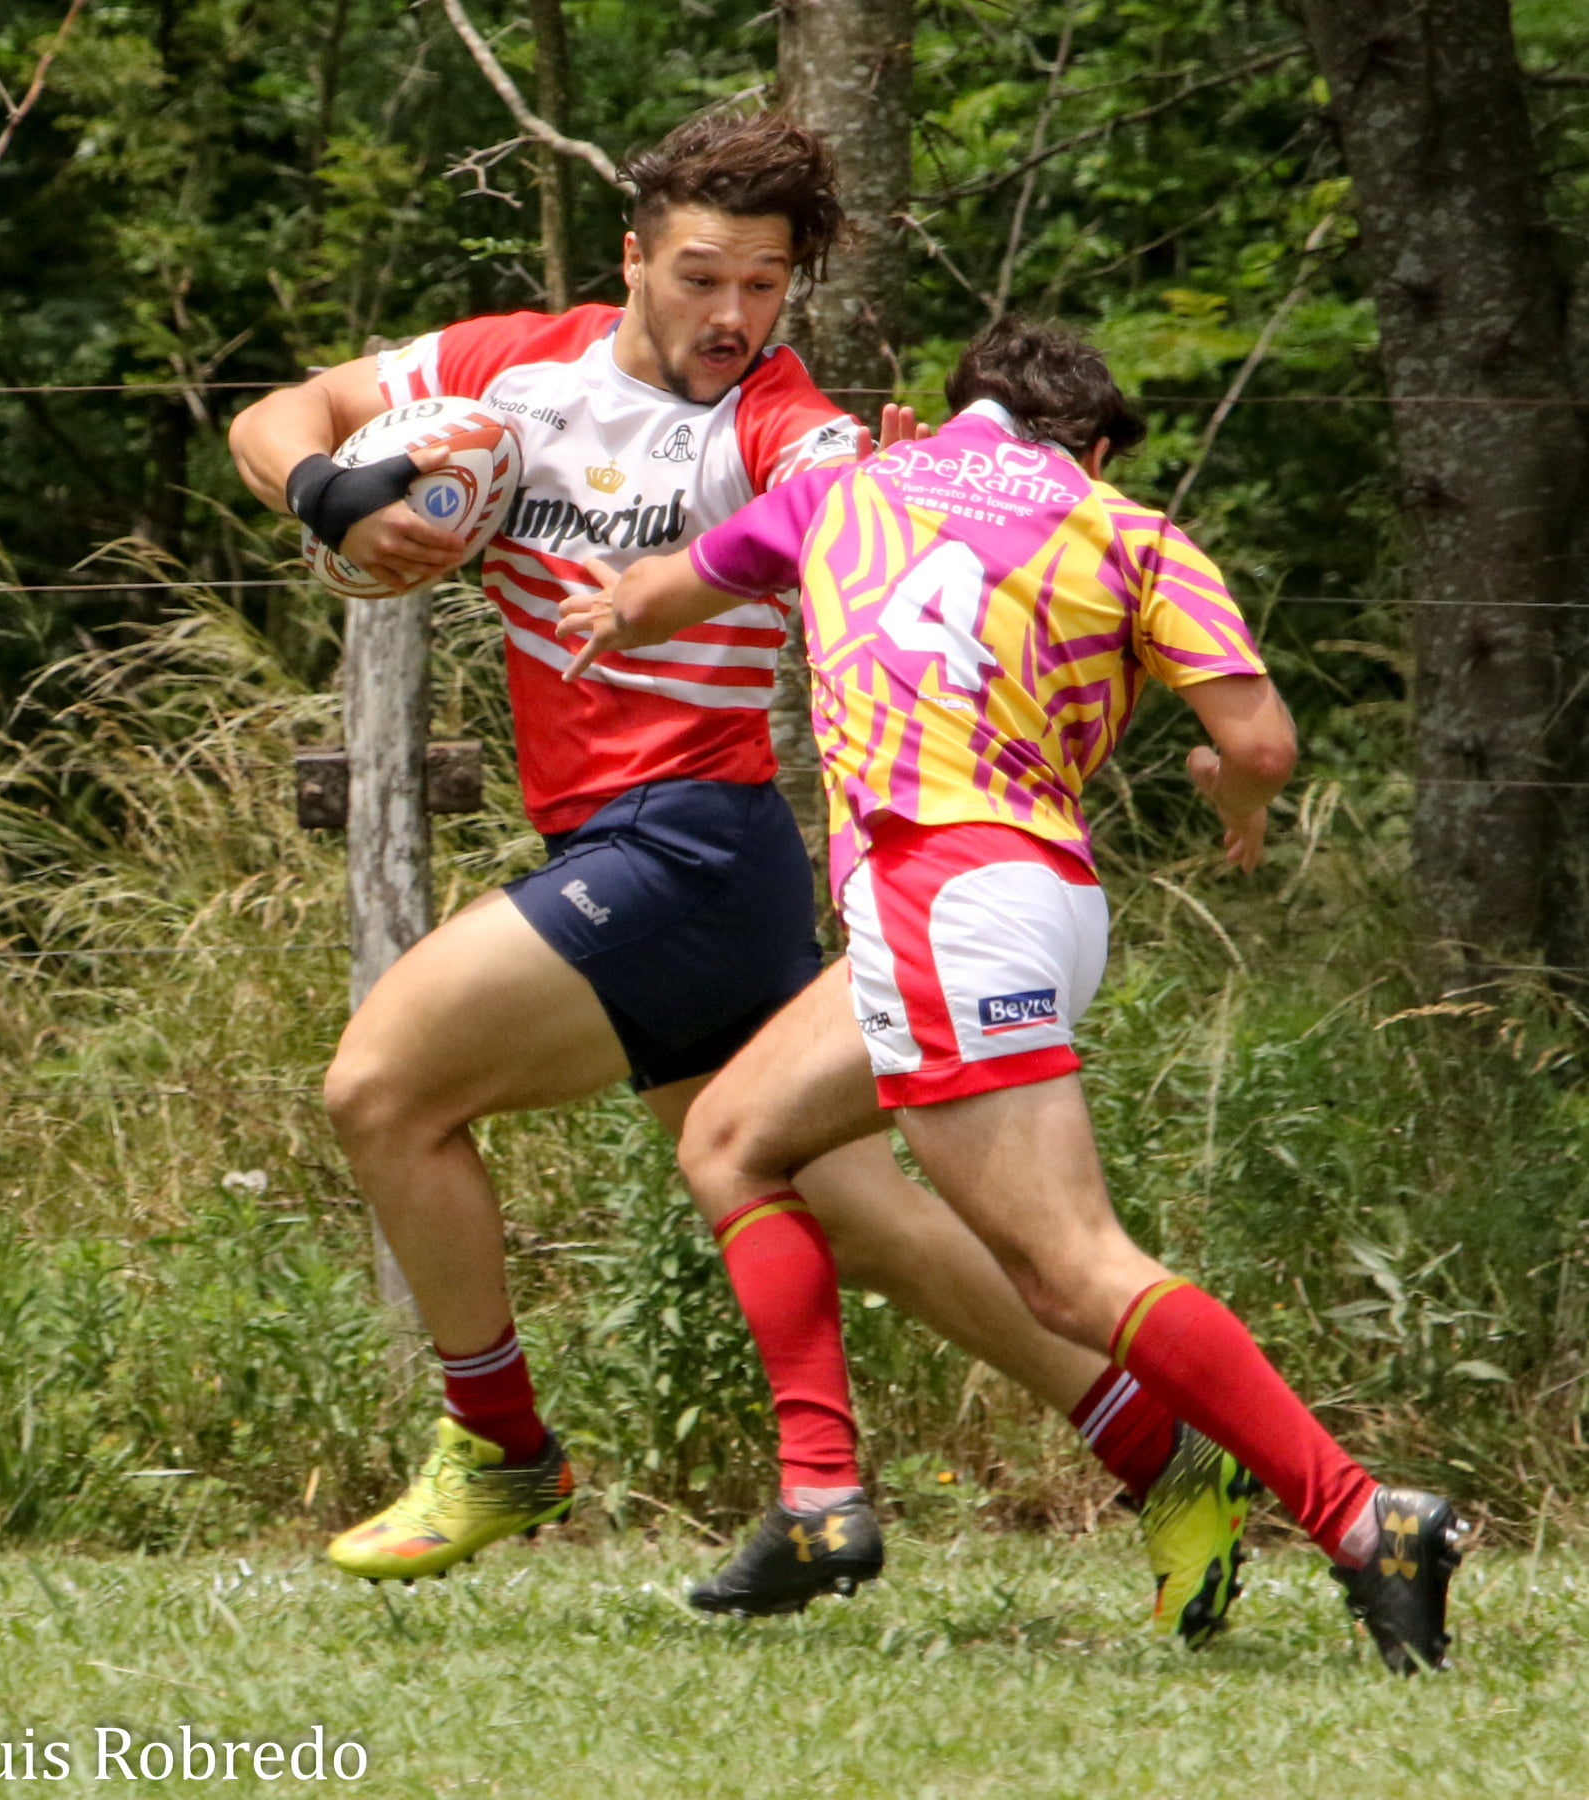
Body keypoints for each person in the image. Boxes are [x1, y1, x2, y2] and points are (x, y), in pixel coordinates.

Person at [229, 110, 1252, 1641]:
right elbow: (281, 409)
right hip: (633, 854)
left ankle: (499, 1445)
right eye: (703, 276)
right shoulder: (512, 364)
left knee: (381, 1087)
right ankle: (1166, 1463)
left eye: (763, 288)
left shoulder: (786, 429)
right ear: (632, 257)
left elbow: (875, 503)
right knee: (865, 1218)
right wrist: (333, 496)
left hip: (695, 845)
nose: (730, 318)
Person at [558, 315, 1469, 1672]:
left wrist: (588, 600)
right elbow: (1259, 739)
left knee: (1069, 1273)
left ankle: (1358, 1517)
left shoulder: (846, 486)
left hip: (937, 894)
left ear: (952, 408)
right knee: (734, 1138)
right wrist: (1240, 800)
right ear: (1089, 447)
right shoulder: (1129, 529)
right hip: (1039, 900)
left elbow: (648, 601)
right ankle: (818, 1502)